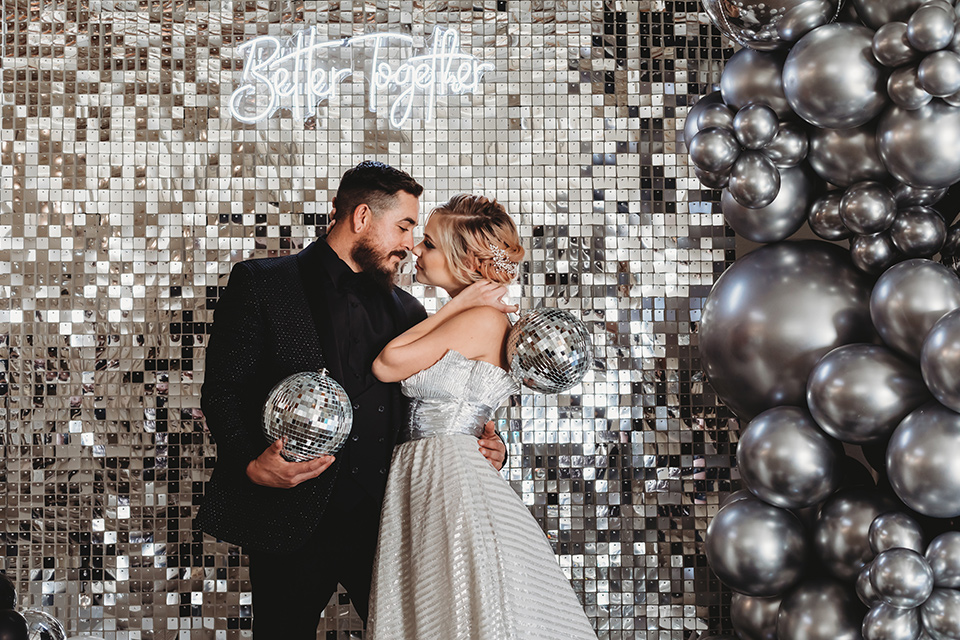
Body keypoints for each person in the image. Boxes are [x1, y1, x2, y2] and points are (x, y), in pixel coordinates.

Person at [193, 161, 510, 639]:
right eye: (404, 227)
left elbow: (444, 397)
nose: (411, 243)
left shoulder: (410, 311)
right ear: (361, 217)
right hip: (290, 517)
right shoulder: (262, 283)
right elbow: (223, 390)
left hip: (389, 521)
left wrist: (487, 441)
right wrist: (250, 463)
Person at [367, 194, 597, 639]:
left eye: (429, 244)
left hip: (448, 476)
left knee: (462, 603)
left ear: (465, 260)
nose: (416, 249)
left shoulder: (482, 318)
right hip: (435, 470)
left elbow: (387, 364)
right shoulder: (473, 316)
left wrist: (457, 304)